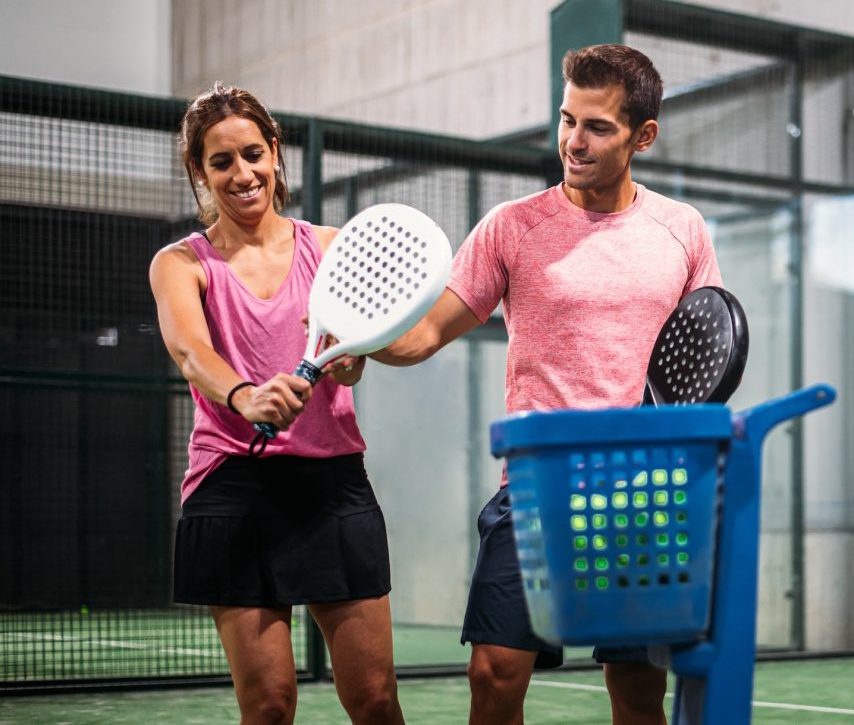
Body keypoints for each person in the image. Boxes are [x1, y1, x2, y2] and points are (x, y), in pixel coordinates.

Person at [376, 44, 723, 725]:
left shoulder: (681, 229)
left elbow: (702, 358)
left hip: (641, 493)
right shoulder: (511, 227)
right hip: (536, 488)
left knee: (634, 683)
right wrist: (361, 345)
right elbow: (422, 335)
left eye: (597, 126)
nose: (573, 140)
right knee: (495, 672)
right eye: (566, 119)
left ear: (642, 136)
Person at [149, 84, 405, 725]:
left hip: (332, 483)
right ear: (199, 173)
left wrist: (354, 361)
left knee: (374, 700)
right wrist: (246, 395)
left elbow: (354, 353)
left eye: (253, 154)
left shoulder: (330, 245)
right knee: (268, 706)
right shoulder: (181, 263)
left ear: (275, 154)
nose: (243, 174)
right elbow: (190, 352)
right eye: (221, 162)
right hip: (233, 486)